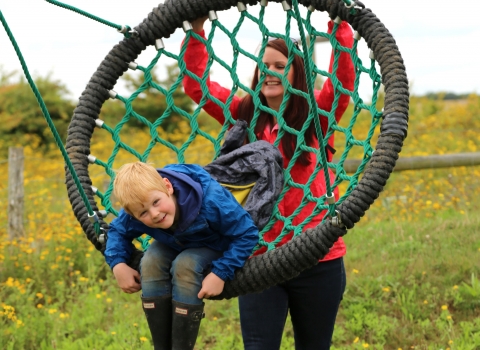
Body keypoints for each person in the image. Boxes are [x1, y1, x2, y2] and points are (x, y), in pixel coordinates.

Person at [182, 16, 354, 349]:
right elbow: (196, 86)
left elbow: (342, 80)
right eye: (265, 66)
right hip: (260, 254)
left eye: (280, 65)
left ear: (296, 73)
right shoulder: (242, 114)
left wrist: (338, 23)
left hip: (318, 254)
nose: (270, 71)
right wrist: (197, 30)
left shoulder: (317, 112)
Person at [104, 161, 259, 350]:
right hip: (173, 241)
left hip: (214, 243)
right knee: (150, 262)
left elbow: (247, 233)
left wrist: (220, 273)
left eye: (156, 202)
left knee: (185, 264)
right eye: (143, 212)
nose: (154, 214)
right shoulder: (139, 204)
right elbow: (117, 231)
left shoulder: (211, 200)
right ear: (133, 215)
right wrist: (117, 264)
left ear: (168, 186)